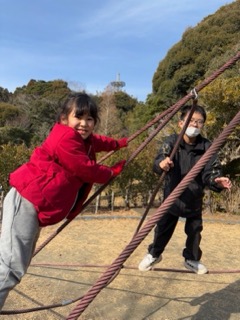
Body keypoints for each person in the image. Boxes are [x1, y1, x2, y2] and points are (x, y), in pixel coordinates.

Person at [0, 92, 128, 310]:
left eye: (89, 119)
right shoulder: (65, 138)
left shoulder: (83, 141)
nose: (84, 123)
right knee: (11, 267)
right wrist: (110, 173)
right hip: (26, 200)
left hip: (34, 204)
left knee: (16, 263)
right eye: (78, 117)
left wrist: (117, 144)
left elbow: (97, 141)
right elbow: (83, 168)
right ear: (63, 119)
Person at [138, 104, 232, 274]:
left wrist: (216, 181)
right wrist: (162, 163)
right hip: (172, 197)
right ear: (181, 123)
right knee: (162, 229)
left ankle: (191, 259)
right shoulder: (171, 142)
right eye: (191, 121)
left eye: (199, 122)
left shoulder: (207, 147)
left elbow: (210, 172)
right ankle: (154, 254)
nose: (195, 125)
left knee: (195, 231)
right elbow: (159, 159)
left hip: (193, 199)